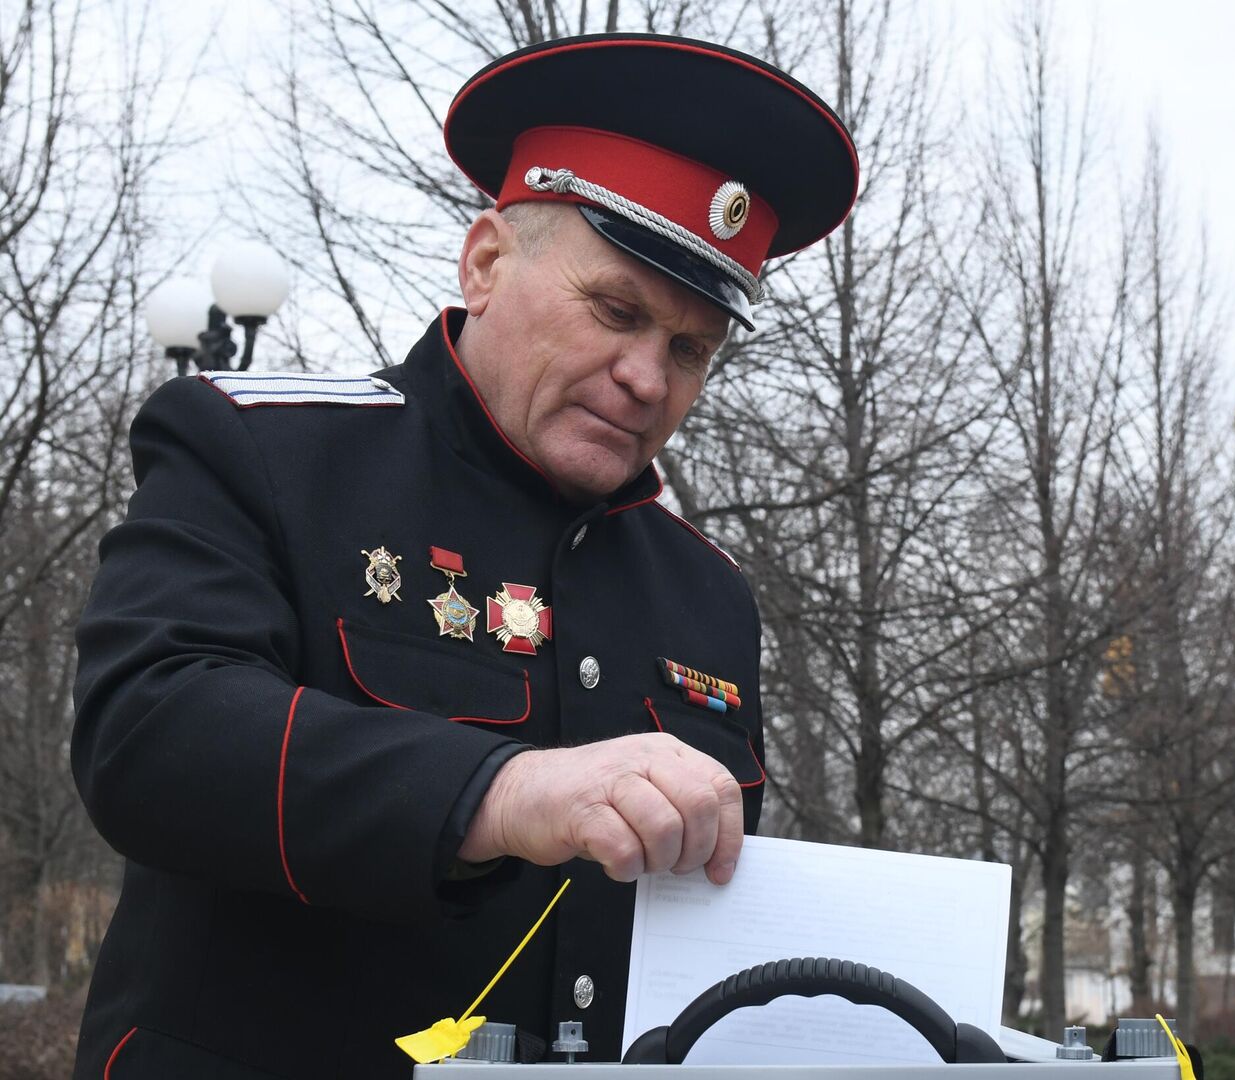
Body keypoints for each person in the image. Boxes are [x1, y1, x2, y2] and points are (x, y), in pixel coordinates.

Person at [67, 34, 858, 1079]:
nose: (646, 379)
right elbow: (148, 731)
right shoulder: (262, 446)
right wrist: (500, 791)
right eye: (616, 311)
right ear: (486, 263)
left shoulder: (707, 596)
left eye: (688, 349)